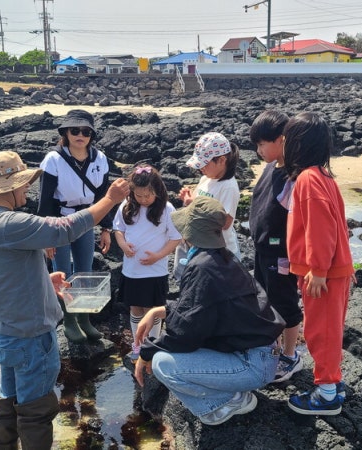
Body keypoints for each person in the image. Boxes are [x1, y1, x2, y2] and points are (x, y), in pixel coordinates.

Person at [0, 150, 129, 449]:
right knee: (35, 412)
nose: (27, 189)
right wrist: (110, 199)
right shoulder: (9, 223)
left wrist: (44, 280)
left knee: (9, 400)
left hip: (4, 330)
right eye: (22, 184)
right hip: (30, 336)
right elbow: (65, 229)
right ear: (8, 187)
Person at [133, 196, 285, 426]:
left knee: (162, 363)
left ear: (190, 234)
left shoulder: (202, 267)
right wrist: (158, 311)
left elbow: (186, 332)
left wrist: (146, 352)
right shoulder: (223, 258)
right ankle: (233, 393)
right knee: (170, 352)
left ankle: (225, 402)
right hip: (262, 356)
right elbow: (199, 309)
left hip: (251, 365)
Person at [283, 112, 355, 416]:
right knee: (329, 329)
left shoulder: (308, 179)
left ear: (296, 145)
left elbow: (321, 227)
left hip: (323, 273)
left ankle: (326, 395)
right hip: (330, 270)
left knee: (320, 332)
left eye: (287, 139)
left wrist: (318, 269)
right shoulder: (323, 176)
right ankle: (332, 382)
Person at [37, 109, 115, 344]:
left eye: (85, 131)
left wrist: (106, 229)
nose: (80, 135)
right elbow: (45, 201)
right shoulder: (53, 160)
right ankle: (69, 322)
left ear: (92, 135)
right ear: (66, 133)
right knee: (63, 274)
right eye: (75, 130)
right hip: (60, 222)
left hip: (86, 221)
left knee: (85, 272)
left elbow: (104, 198)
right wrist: (46, 237)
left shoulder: (100, 160)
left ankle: (84, 320)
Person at [249, 110, 305, 383]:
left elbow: (299, 220)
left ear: (281, 139)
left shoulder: (295, 177)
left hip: (281, 254)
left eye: (262, 144)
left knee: (285, 304)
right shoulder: (271, 168)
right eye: (257, 145)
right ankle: (272, 347)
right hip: (262, 250)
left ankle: (290, 354)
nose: (259, 150)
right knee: (264, 299)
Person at [113, 164, 182, 360]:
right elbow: (118, 229)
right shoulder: (126, 207)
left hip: (155, 271)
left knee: (152, 311)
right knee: (135, 308)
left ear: (158, 191)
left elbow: (176, 238)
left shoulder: (166, 209)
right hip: (132, 270)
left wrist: (158, 256)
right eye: (139, 196)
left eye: (148, 196)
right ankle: (138, 344)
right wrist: (123, 245)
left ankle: (153, 346)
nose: (143, 200)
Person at [175, 132, 241, 278]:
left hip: (221, 252)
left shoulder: (228, 187)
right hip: (201, 246)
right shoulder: (206, 179)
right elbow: (198, 206)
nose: (200, 169)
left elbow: (225, 222)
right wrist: (189, 199)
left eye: (204, 163)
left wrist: (192, 203)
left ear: (222, 160)